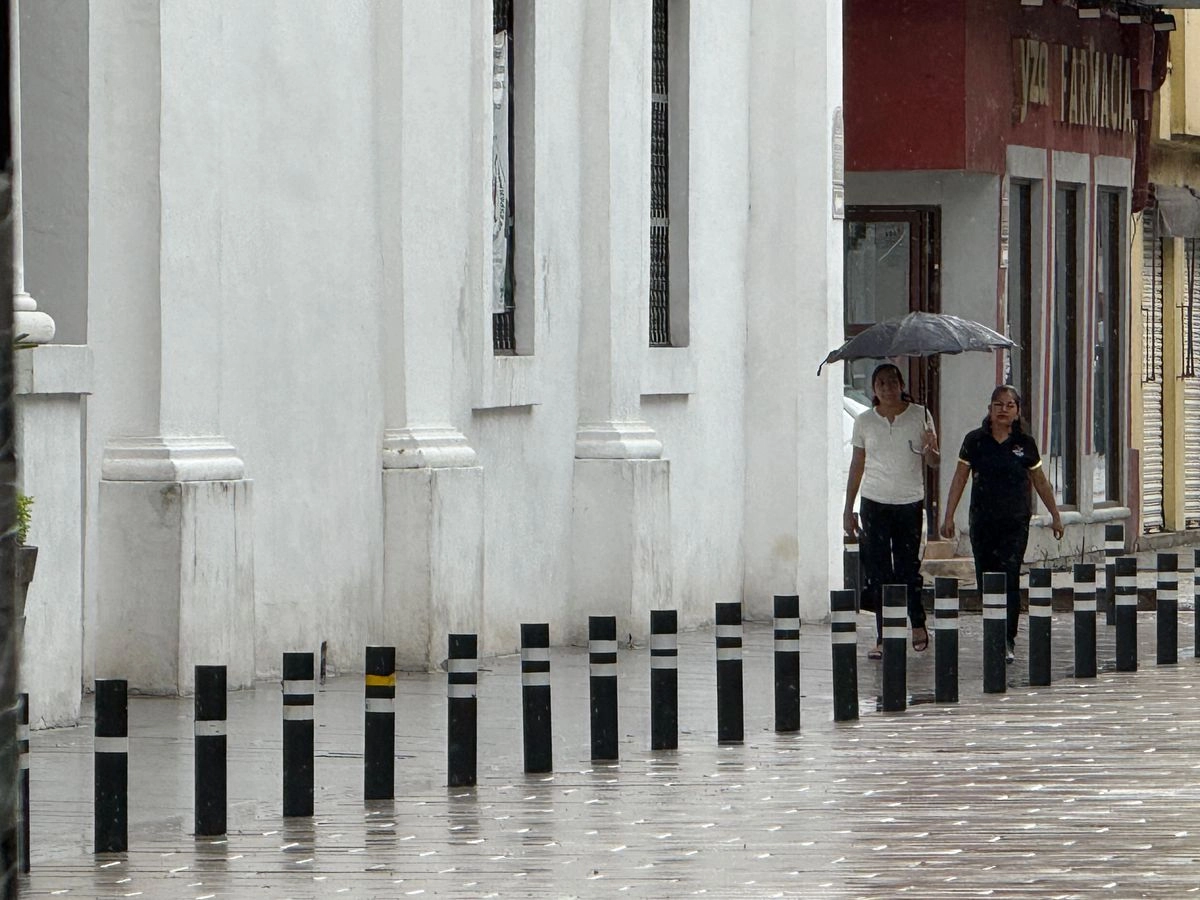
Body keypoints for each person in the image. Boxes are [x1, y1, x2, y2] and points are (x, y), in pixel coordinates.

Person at [940, 385, 1064, 664]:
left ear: (1018, 411)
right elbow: (959, 478)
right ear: (989, 409)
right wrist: (948, 516)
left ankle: (1007, 637)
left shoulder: (1025, 445)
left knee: (1009, 577)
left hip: (1014, 522)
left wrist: (1055, 515)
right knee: (986, 579)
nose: (1003, 410)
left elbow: (1040, 481)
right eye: (998, 404)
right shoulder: (974, 441)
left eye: (1010, 405)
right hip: (982, 521)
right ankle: (992, 633)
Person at [844, 363, 939, 660]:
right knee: (879, 571)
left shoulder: (920, 415)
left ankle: (918, 622)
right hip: (874, 501)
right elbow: (857, 465)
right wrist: (849, 508)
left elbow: (934, 463)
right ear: (874, 389)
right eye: (881, 383)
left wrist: (931, 449)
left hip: (909, 501)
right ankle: (884, 634)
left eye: (892, 382)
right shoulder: (864, 422)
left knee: (907, 568)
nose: (887, 388)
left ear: (901, 385)